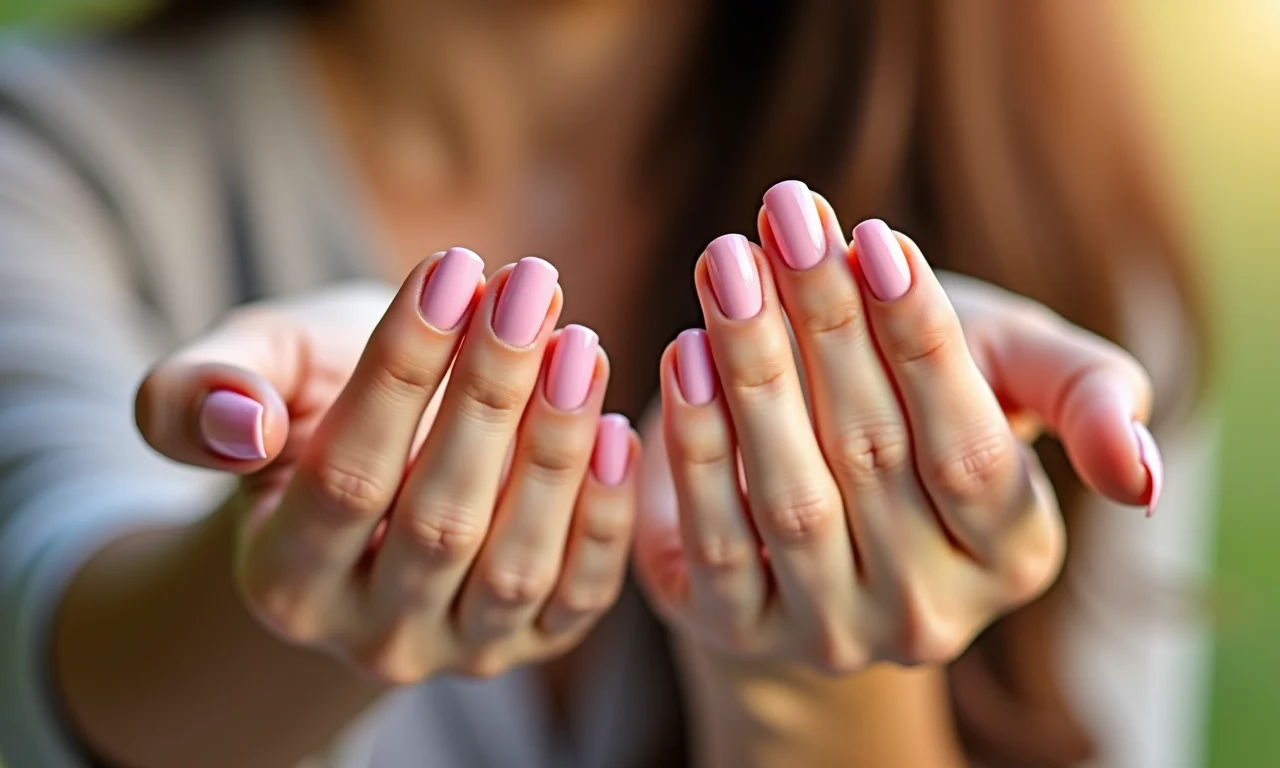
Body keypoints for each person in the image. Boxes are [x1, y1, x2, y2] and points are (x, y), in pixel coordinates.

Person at [0, 1, 1214, 766]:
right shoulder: (48, 160)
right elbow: (55, 641)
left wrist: (813, 693)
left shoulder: (1061, 255)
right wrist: (298, 560)